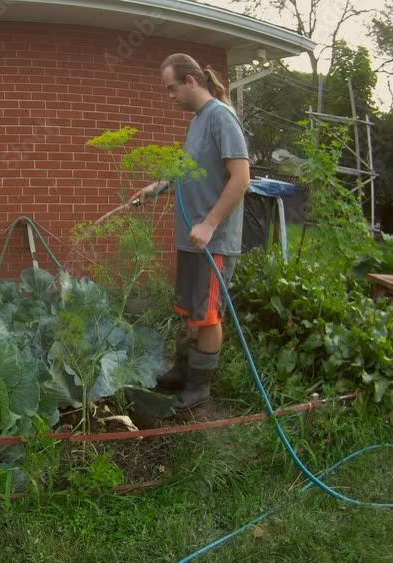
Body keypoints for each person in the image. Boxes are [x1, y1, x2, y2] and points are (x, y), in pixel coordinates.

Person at [131, 53, 250, 411]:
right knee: (189, 311)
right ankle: (182, 373)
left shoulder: (220, 118)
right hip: (191, 239)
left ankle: (199, 389)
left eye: (172, 88)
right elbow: (187, 170)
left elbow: (241, 179)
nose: (170, 96)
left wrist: (210, 223)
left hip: (212, 242)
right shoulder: (197, 122)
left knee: (208, 315)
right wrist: (156, 188)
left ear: (191, 81)